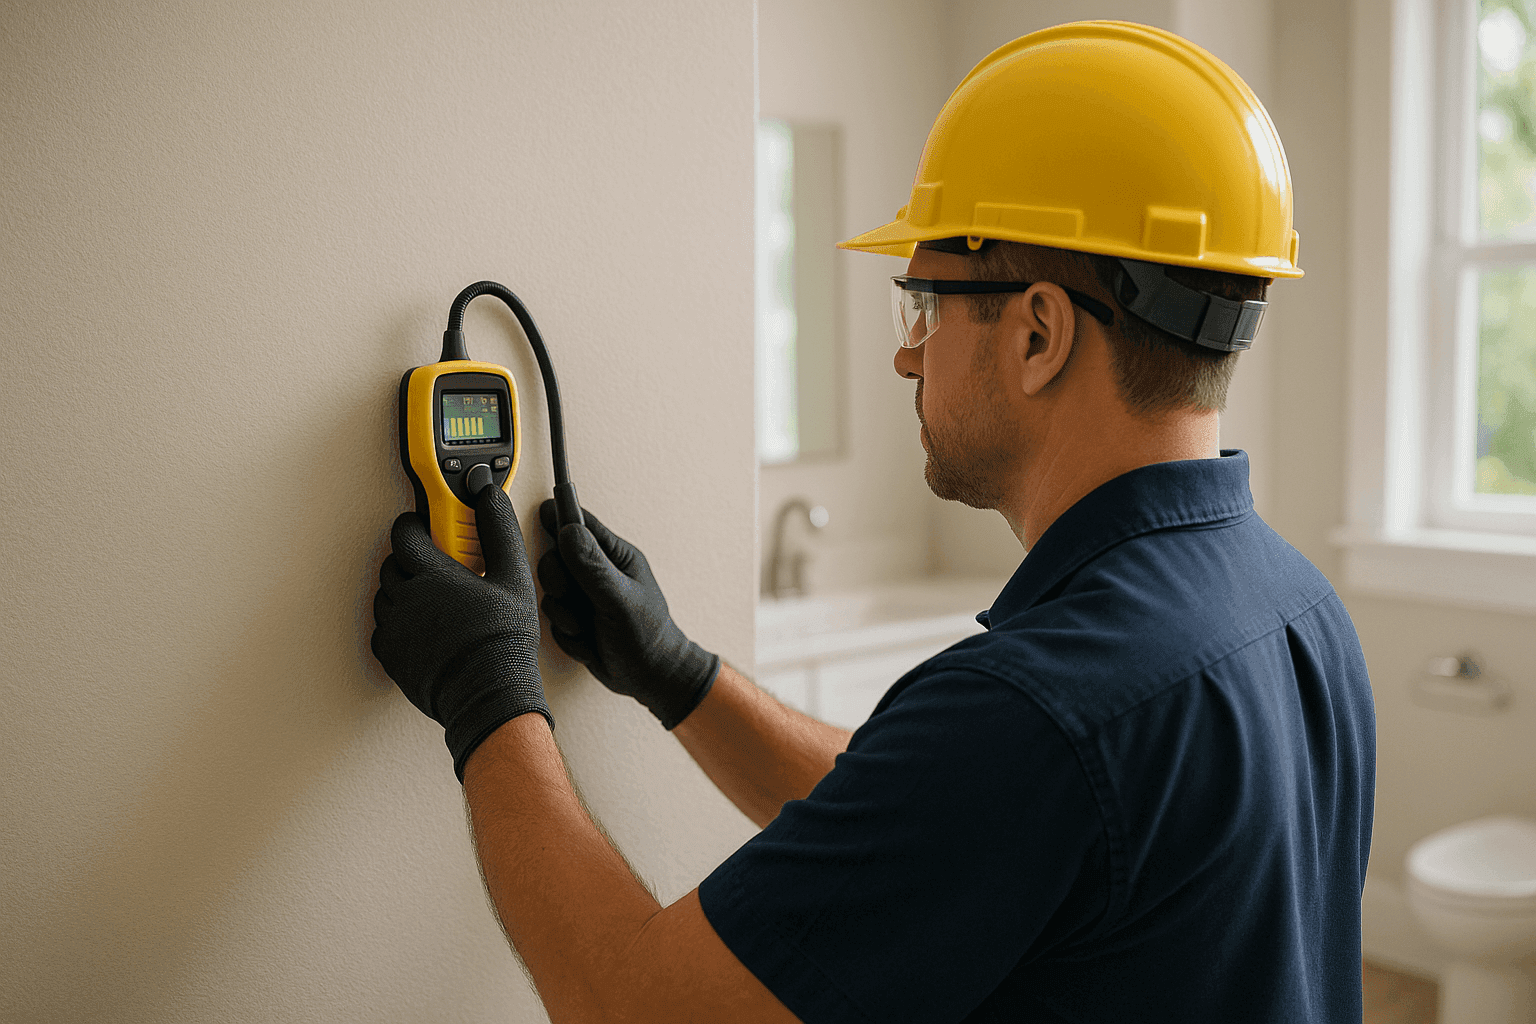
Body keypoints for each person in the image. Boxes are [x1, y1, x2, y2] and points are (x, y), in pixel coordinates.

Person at [370, 21, 1375, 1023]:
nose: (907, 355)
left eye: (925, 305)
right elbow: (935, 818)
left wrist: (488, 689)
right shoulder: (1301, 612)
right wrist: (677, 673)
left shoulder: (1042, 709)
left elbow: (630, 1004)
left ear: (1038, 334)